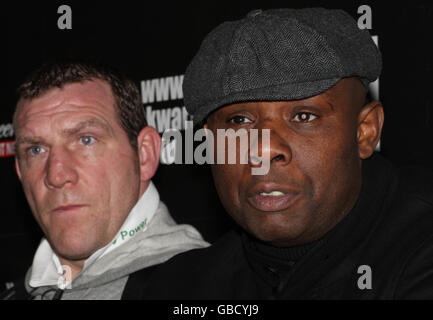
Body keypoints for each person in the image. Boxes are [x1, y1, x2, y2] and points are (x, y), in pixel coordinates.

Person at [130, 8, 433, 299]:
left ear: (365, 132)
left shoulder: (419, 260)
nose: (265, 149)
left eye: (303, 116)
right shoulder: (178, 286)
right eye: (240, 121)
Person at [1, 59, 208, 300]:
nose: (56, 175)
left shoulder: (209, 288)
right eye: (36, 150)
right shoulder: (15, 294)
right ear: (19, 171)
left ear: (145, 154)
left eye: (86, 140)